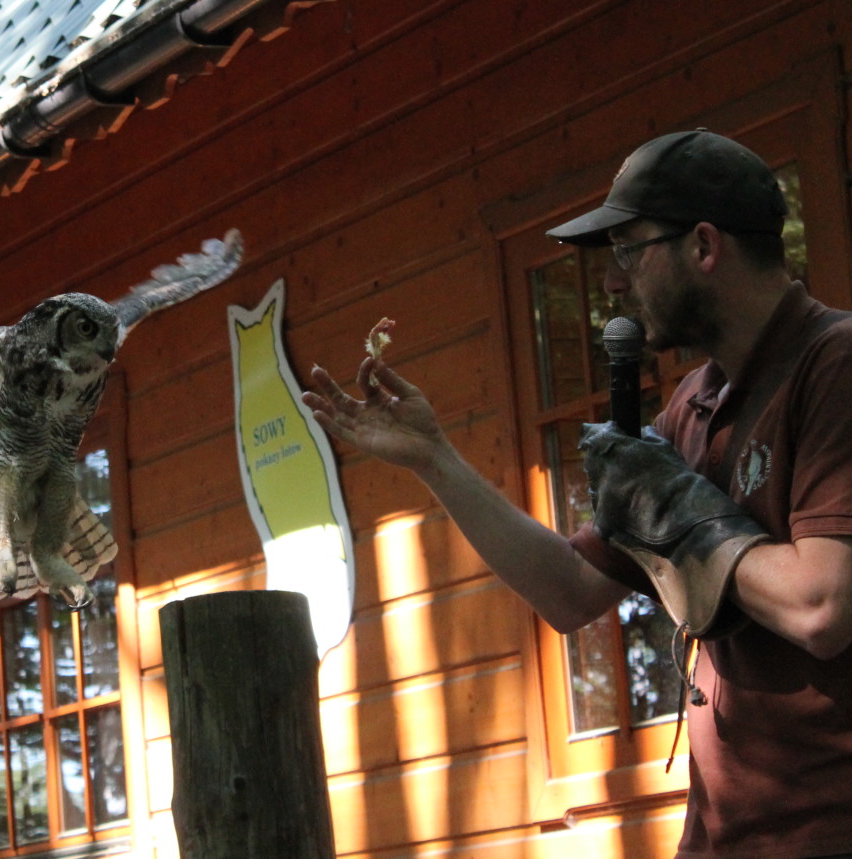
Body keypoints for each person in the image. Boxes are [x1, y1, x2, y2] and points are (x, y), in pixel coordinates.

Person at [302, 130, 852, 858]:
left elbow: (822, 605)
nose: (614, 283)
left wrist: (678, 512)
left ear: (704, 246)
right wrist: (434, 458)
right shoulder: (693, 405)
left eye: (629, 251)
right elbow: (569, 590)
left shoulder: (835, 364)